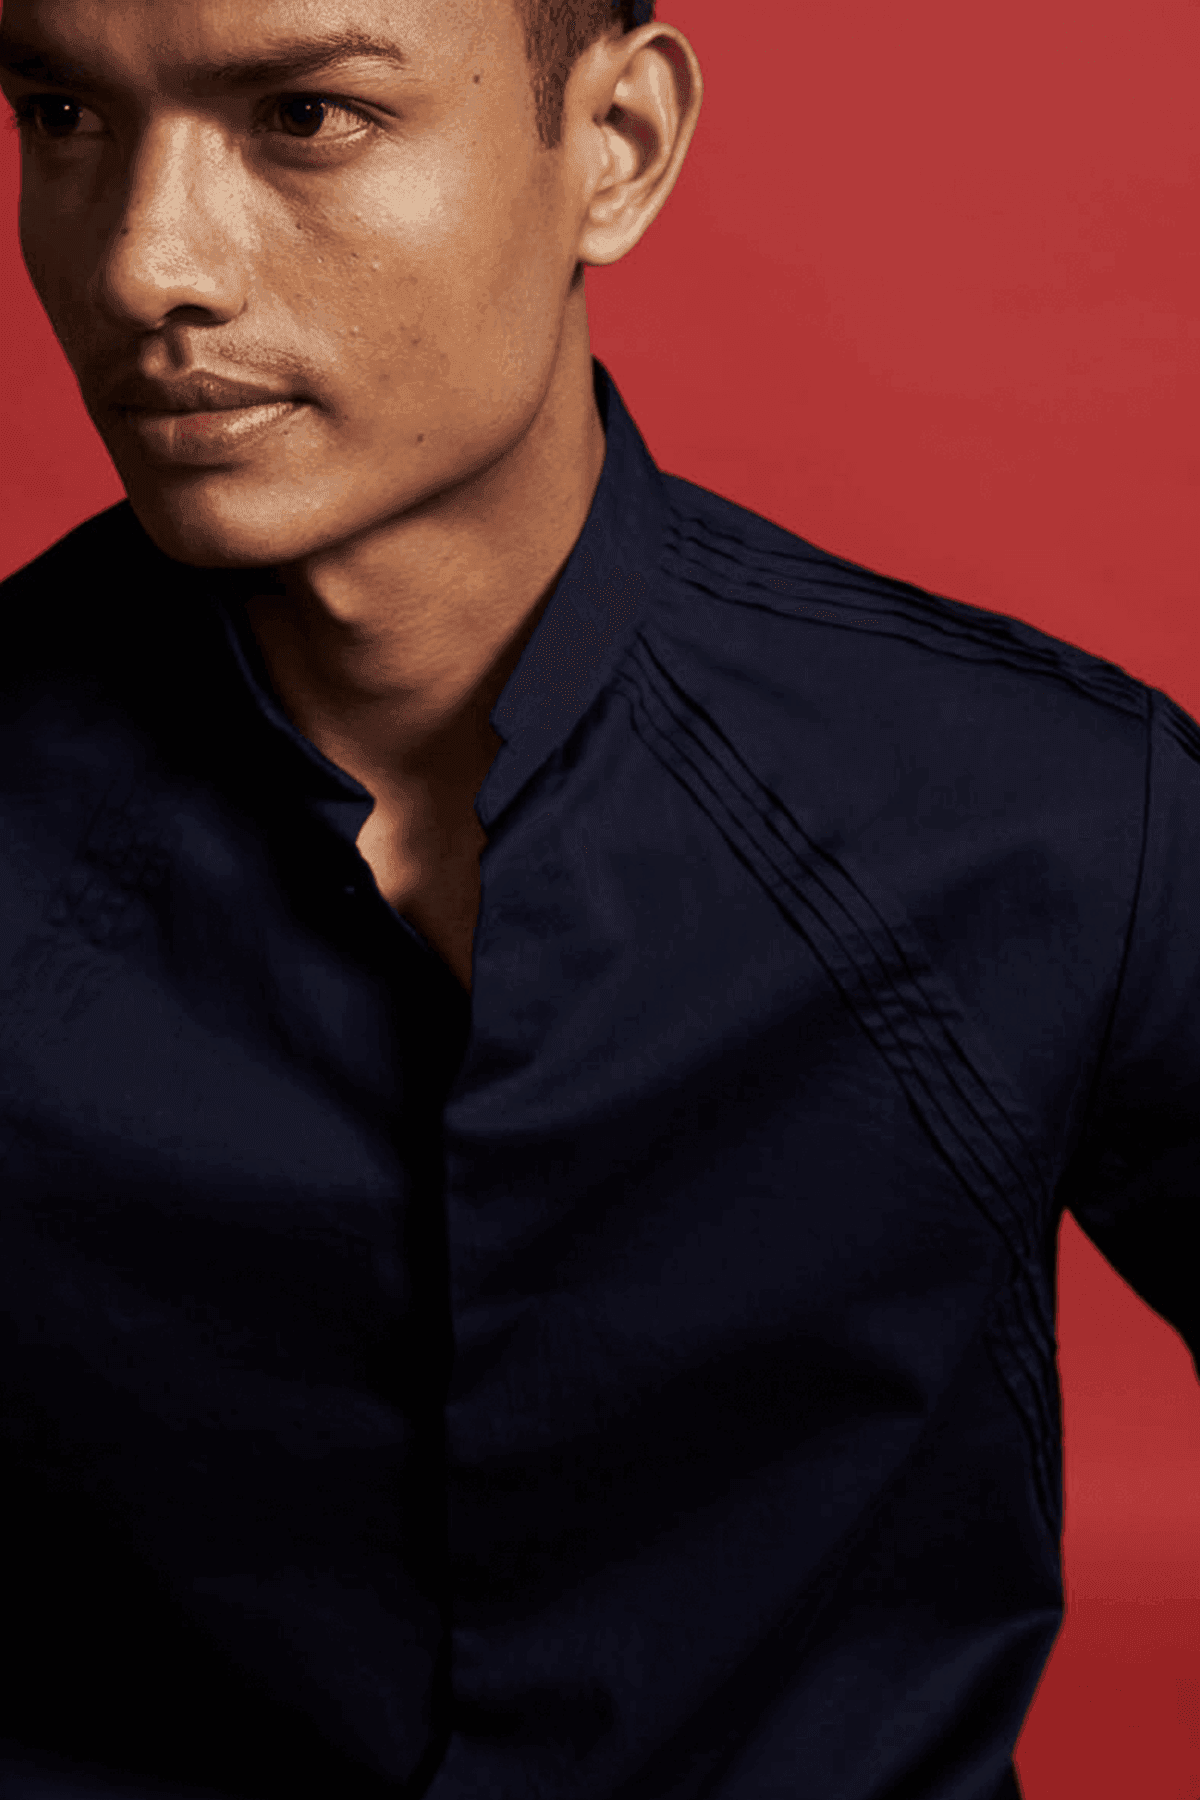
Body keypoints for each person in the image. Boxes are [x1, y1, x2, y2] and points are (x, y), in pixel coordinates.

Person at [0, 0, 1195, 1795]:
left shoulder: (1053, 809)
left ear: (616, 148)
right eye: (60, 114)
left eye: (307, 115)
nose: (141, 263)